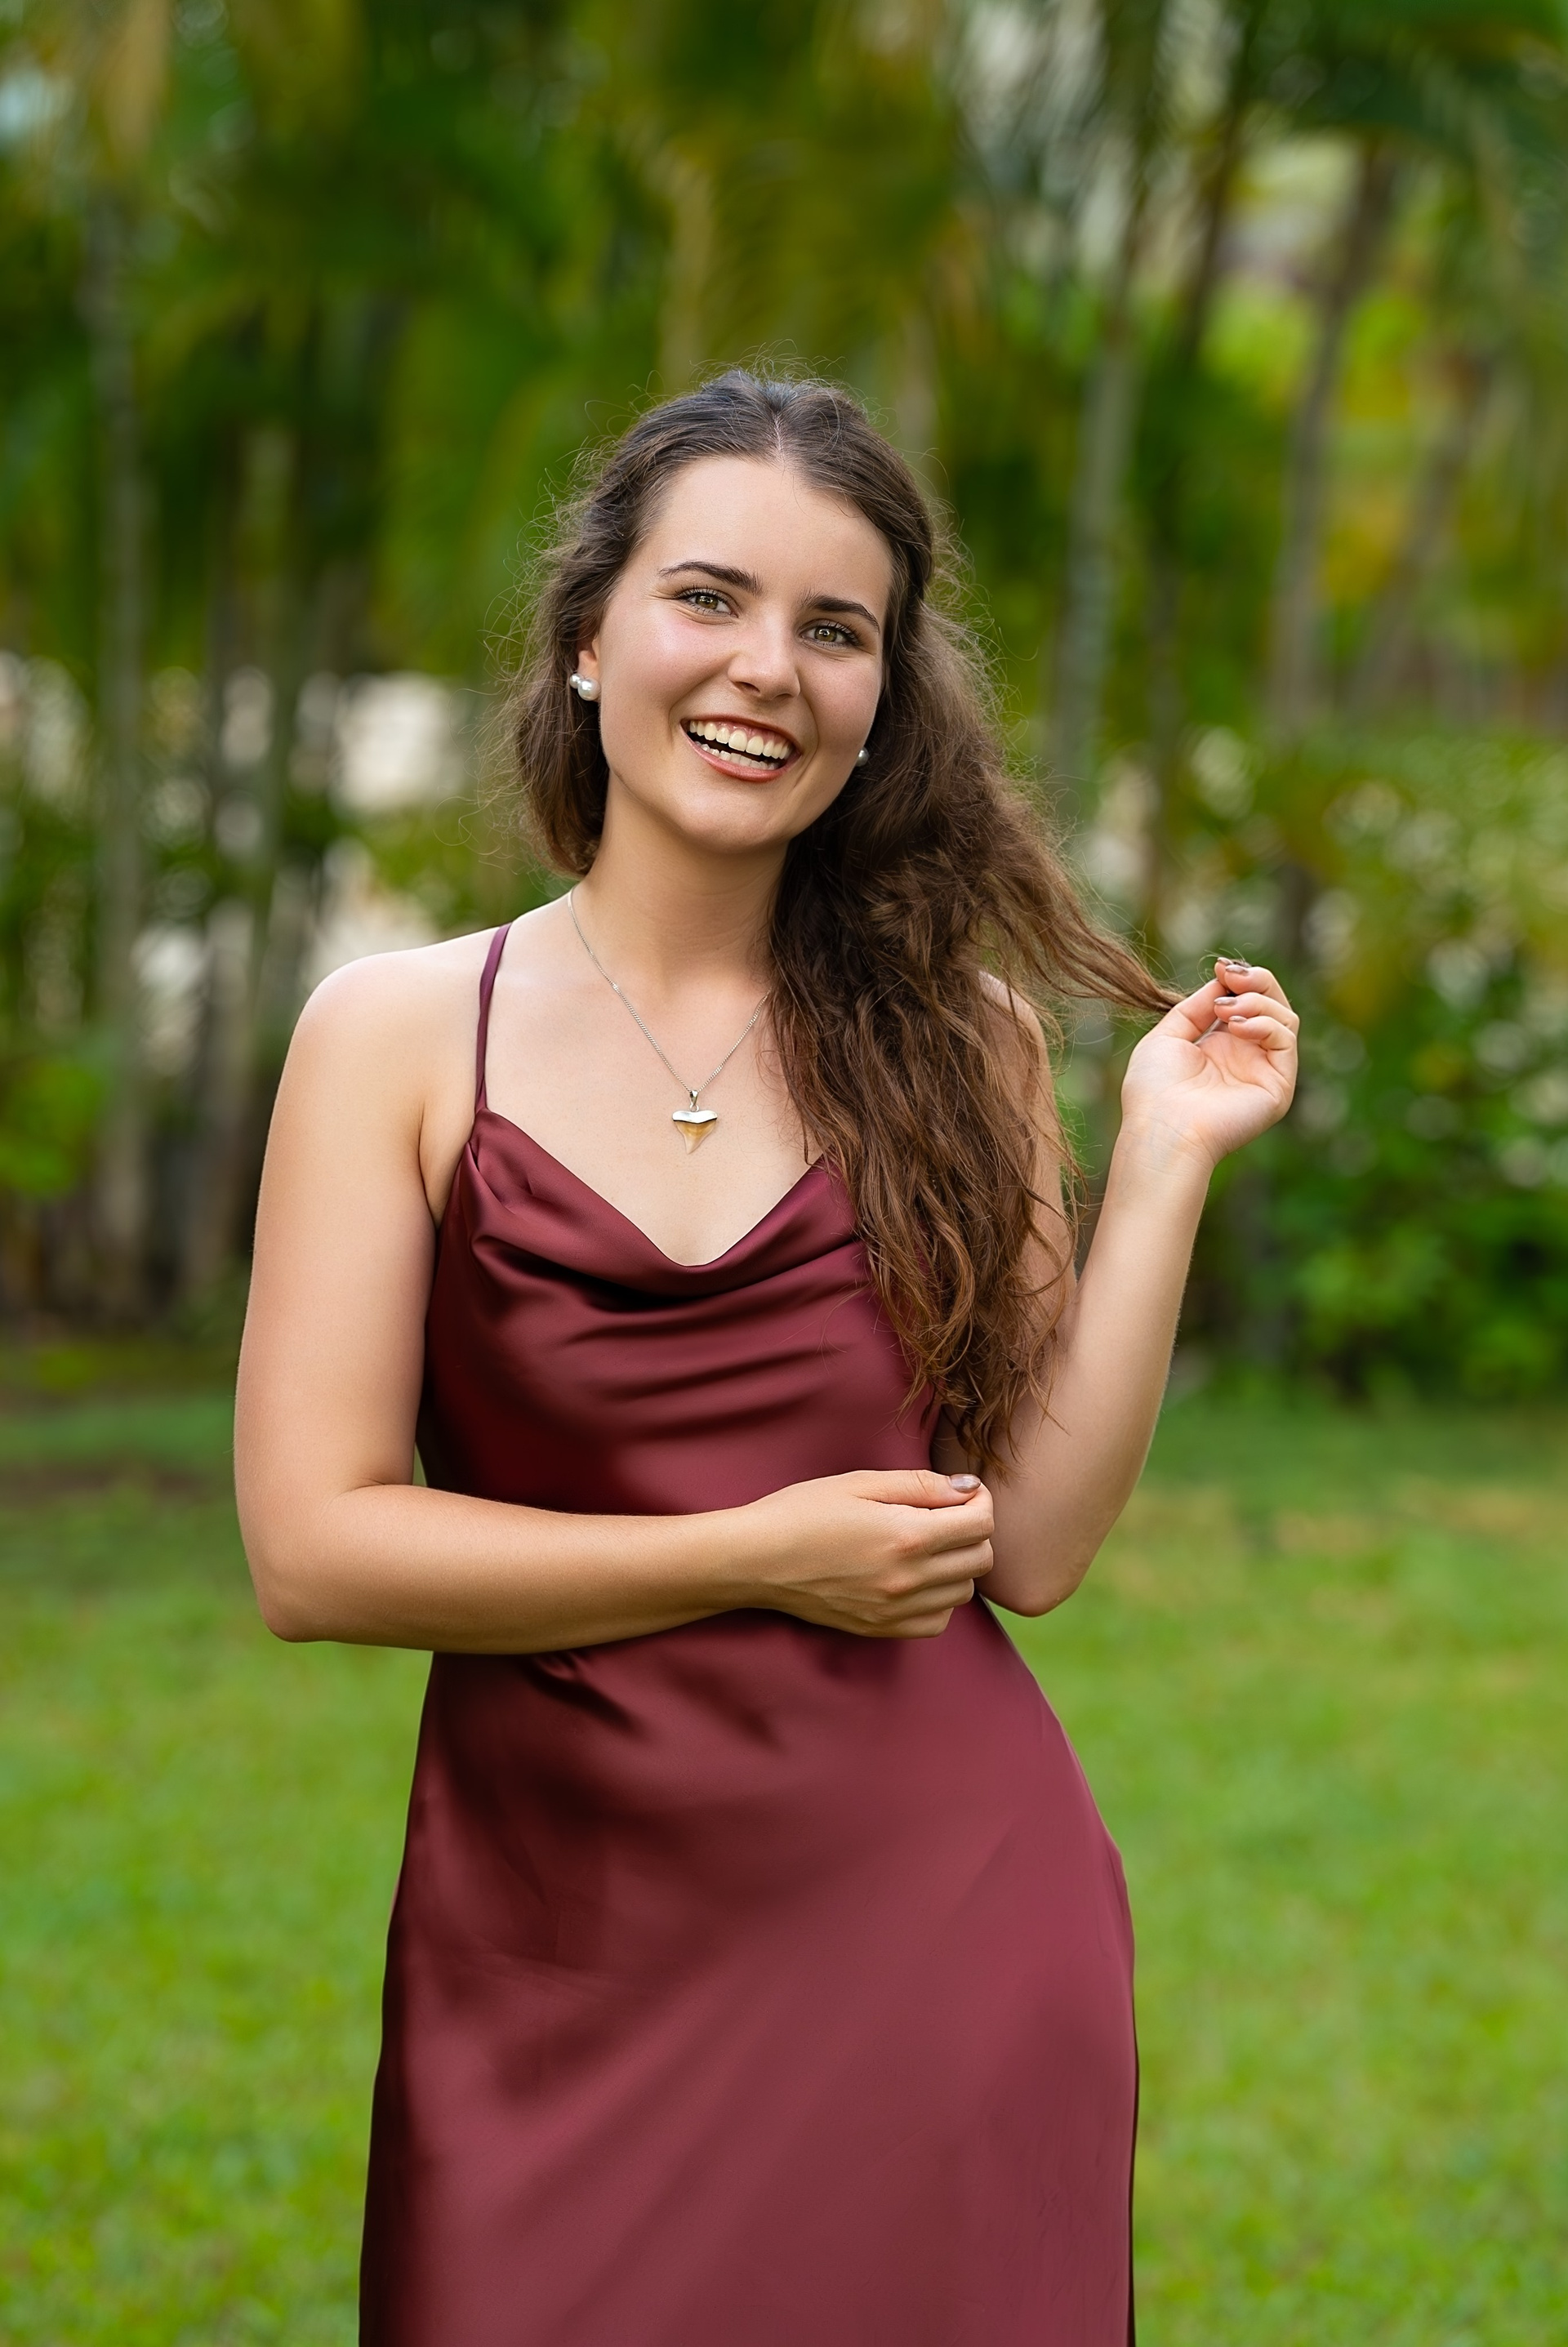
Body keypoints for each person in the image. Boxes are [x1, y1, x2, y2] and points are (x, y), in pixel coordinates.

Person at [235, 371, 1298, 2347]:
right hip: (548, 1956)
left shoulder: (964, 1040)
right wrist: (753, 1554)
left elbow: (1030, 1544)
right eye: (708, 598)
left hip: (941, 1932)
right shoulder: (395, 1035)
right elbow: (314, 1549)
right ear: (588, 635)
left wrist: (1162, 1161)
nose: (765, 670)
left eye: (835, 629)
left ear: (884, 699)